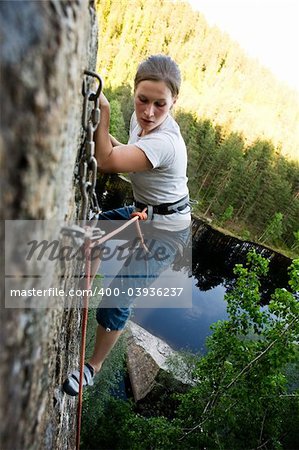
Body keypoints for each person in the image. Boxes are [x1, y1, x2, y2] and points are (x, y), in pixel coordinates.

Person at [63, 54, 191, 396]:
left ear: (174, 101)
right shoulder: (143, 123)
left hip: (166, 230)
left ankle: (93, 366)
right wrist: (115, 142)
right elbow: (127, 153)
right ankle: (83, 288)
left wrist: (103, 112)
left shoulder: (165, 141)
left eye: (160, 104)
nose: (148, 111)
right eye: (143, 100)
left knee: (117, 300)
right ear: (135, 92)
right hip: (146, 212)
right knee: (88, 229)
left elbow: (106, 162)